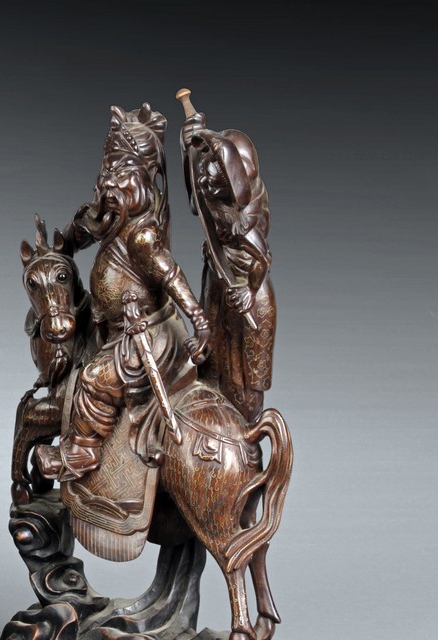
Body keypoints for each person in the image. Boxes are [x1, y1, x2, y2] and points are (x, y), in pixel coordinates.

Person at [35, 105, 209, 481]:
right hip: (111, 328)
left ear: (146, 178)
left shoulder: (143, 235)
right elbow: (80, 230)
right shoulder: (113, 217)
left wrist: (200, 322)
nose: (112, 182)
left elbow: (172, 277)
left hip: (146, 334)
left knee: (93, 379)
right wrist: (65, 243)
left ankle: (81, 451)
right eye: (108, 171)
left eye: (124, 172)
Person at [181, 112, 275, 420]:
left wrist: (250, 290)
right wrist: (188, 150)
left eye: (212, 180)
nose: (205, 183)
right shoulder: (213, 189)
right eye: (205, 176)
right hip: (218, 278)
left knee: (243, 376)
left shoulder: (244, 219)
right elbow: (196, 201)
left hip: (248, 289)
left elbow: (263, 258)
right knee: (210, 360)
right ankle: (213, 431)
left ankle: (245, 438)